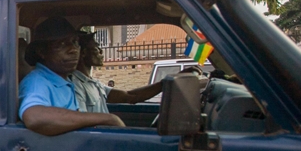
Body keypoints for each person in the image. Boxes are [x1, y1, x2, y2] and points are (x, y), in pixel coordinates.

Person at [19, 17, 124, 136]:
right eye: (61, 44)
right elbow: (34, 117)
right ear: (42, 52)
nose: (73, 50)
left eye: (75, 42)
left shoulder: (64, 80)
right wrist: (107, 119)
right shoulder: (37, 82)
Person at [72, 35, 203, 113]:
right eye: (96, 48)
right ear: (82, 53)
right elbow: (82, 124)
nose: (101, 51)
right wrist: (111, 120)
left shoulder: (94, 84)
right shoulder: (75, 85)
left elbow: (131, 96)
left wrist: (169, 81)